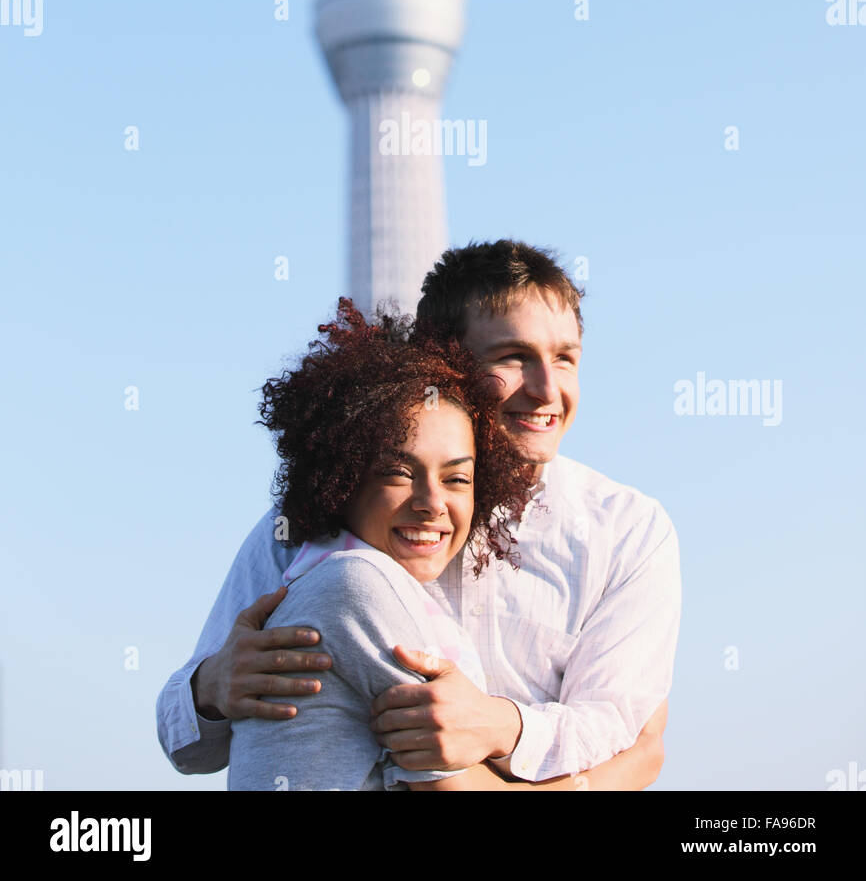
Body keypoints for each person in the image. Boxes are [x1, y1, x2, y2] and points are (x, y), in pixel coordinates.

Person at [158, 240, 680, 789]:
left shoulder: (627, 531)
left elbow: (622, 733)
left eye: (565, 358)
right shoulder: (311, 522)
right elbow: (186, 747)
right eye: (513, 357)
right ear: (444, 362)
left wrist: (499, 725)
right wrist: (212, 686)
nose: (547, 389)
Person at [230, 299, 579, 790]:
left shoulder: (329, 573)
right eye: (398, 472)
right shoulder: (357, 585)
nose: (432, 502)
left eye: (458, 478)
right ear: (342, 480)